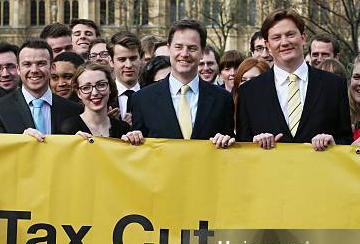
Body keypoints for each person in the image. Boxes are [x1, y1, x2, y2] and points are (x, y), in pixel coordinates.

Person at [236, 9, 352, 151]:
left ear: (303, 37)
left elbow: (346, 140)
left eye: (290, 35)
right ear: (267, 45)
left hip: (320, 171)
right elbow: (242, 147)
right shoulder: (249, 92)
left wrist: (333, 144)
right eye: (276, 38)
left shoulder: (334, 86)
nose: (284, 42)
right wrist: (255, 144)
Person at [125, 19, 234, 148]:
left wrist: (227, 141)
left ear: (202, 52)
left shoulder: (222, 99)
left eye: (192, 48)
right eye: (178, 47)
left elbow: (231, 148)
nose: (184, 54)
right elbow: (138, 152)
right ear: (169, 48)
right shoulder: (143, 99)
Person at [0, 38, 82, 137]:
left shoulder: (73, 110)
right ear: (18, 69)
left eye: (41, 63)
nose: (34, 70)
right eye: (27, 64)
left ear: (52, 67)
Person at [59, 62, 130, 139]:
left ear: (110, 88)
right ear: (79, 93)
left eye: (101, 85)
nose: (95, 93)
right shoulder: (67, 129)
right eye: (86, 87)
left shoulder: (124, 129)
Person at [108, 31, 143, 123]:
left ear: (141, 59)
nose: (128, 65)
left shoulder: (153, 94)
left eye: (133, 58)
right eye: (122, 59)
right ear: (111, 61)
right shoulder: (104, 96)